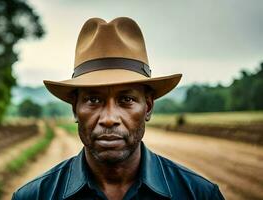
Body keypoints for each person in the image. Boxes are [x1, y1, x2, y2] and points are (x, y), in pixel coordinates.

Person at [12, 17, 225, 200]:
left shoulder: (199, 194)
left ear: (148, 108)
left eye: (126, 100)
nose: (109, 118)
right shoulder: (35, 196)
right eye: (94, 100)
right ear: (75, 109)